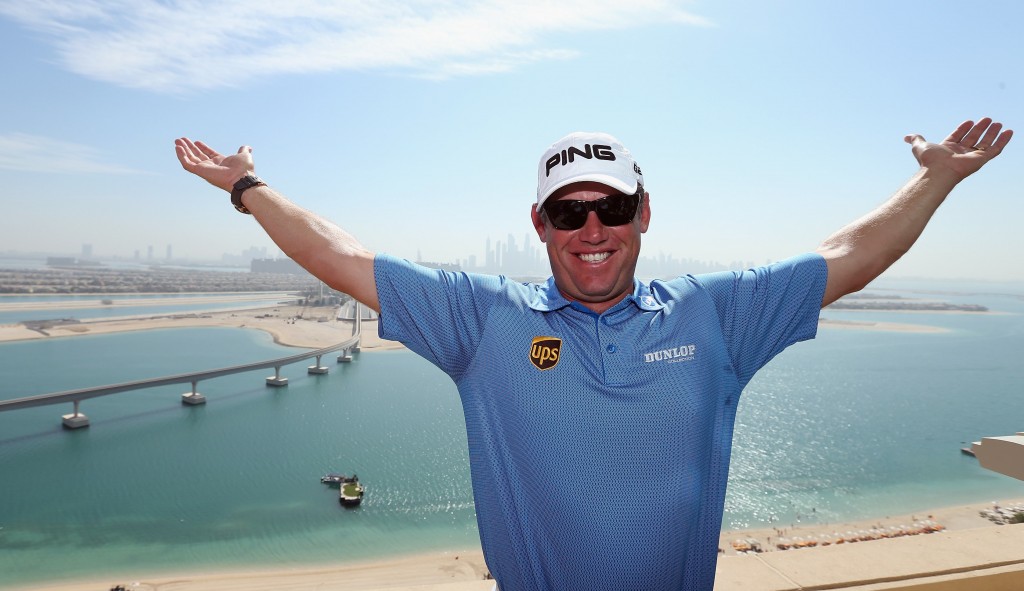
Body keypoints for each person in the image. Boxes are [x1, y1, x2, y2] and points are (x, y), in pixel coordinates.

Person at [175, 118, 1011, 591]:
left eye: (611, 206)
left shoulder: (716, 314)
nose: (592, 231)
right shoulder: (485, 320)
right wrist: (250, 188)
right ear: (538, 225)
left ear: (644, 212)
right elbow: (343, 258)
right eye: (567, 213)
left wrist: (936, 179)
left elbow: (849, 255)